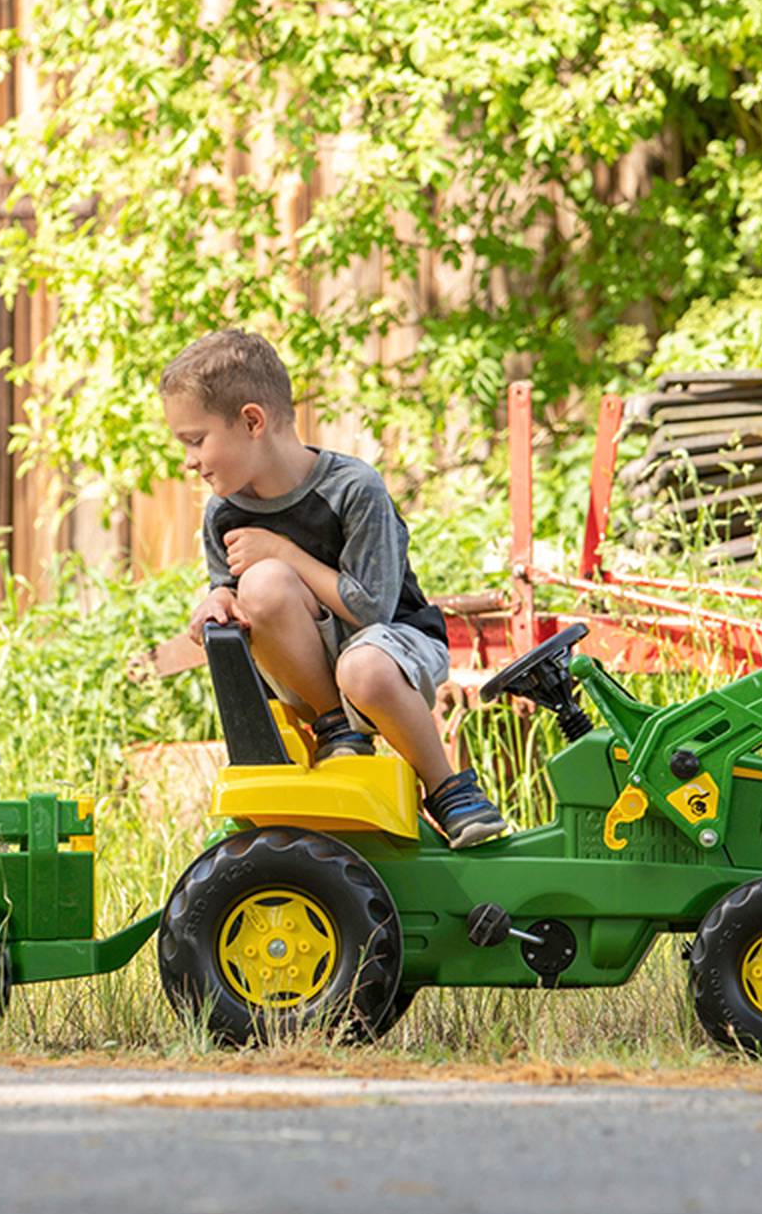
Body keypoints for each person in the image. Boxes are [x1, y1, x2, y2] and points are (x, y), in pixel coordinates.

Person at [163, 328, 509, 851]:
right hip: (312, 670)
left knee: (362, 666)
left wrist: (285, 553)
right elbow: (229, 586)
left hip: (394, 644)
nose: (188, 460)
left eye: (196, 439)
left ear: (252, 421)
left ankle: (448, 788)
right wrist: (217, 600)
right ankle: (337, 730)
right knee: (259, 584)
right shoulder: (225, 512)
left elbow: (372, 609)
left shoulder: (353, 488)